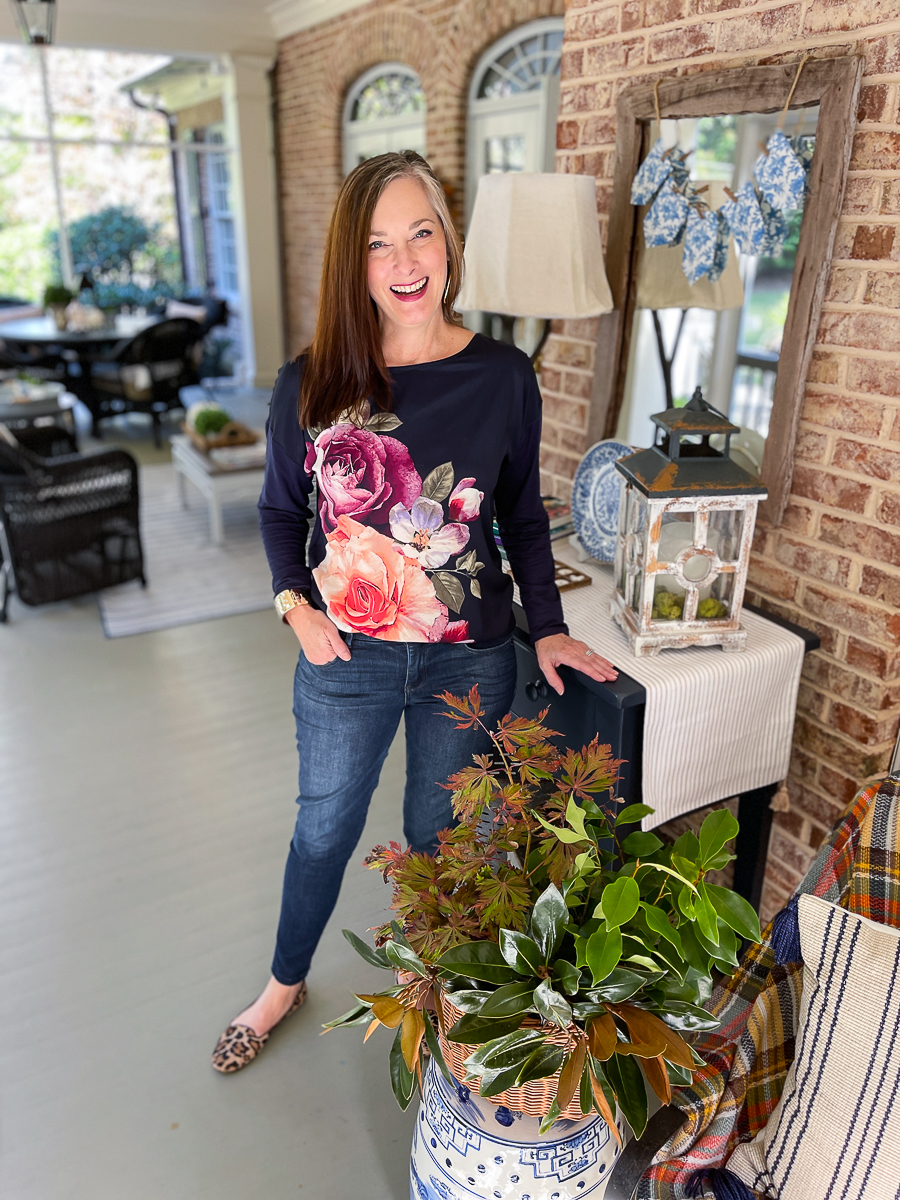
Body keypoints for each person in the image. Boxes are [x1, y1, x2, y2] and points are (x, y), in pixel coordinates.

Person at [211, 151, 617, 1073]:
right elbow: (281, 511)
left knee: (440, 838)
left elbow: (518, 513)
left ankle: (428, 986)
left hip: (466, 658)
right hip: (343, 659)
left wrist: (546, 626)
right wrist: (294, 605)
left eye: (420, 232)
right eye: (377, 244)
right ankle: (283, 981)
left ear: (449, 239)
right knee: (324, 828)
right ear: (352, 264)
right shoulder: (310, 382)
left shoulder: (505, 376)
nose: (403, 261)